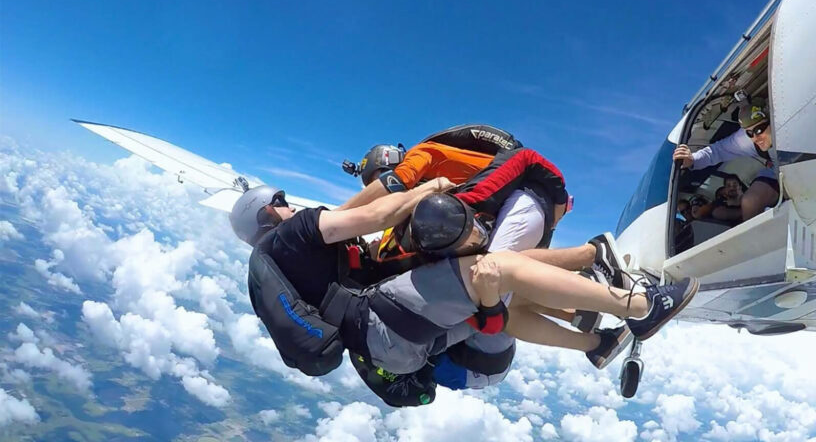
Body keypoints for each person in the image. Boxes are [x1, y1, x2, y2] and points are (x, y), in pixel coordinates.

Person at [232, 185, 697, 384]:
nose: (287, 202)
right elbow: (371, 215)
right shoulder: (296, 233)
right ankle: (639, 306)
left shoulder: (280, 265)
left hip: (392, 351)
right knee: (494, 270)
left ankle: (594, 343)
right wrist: (421, 189)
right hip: (385, 325)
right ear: (267, 214)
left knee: (496, 302)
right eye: (278, 201)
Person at [672, 101, 779, 221]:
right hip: (778, 171)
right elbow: (718, 150)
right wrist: (693, 159)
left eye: (759, 130)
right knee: (750, 201)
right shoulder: (746, 140)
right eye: (749, 133)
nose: (755, 138)